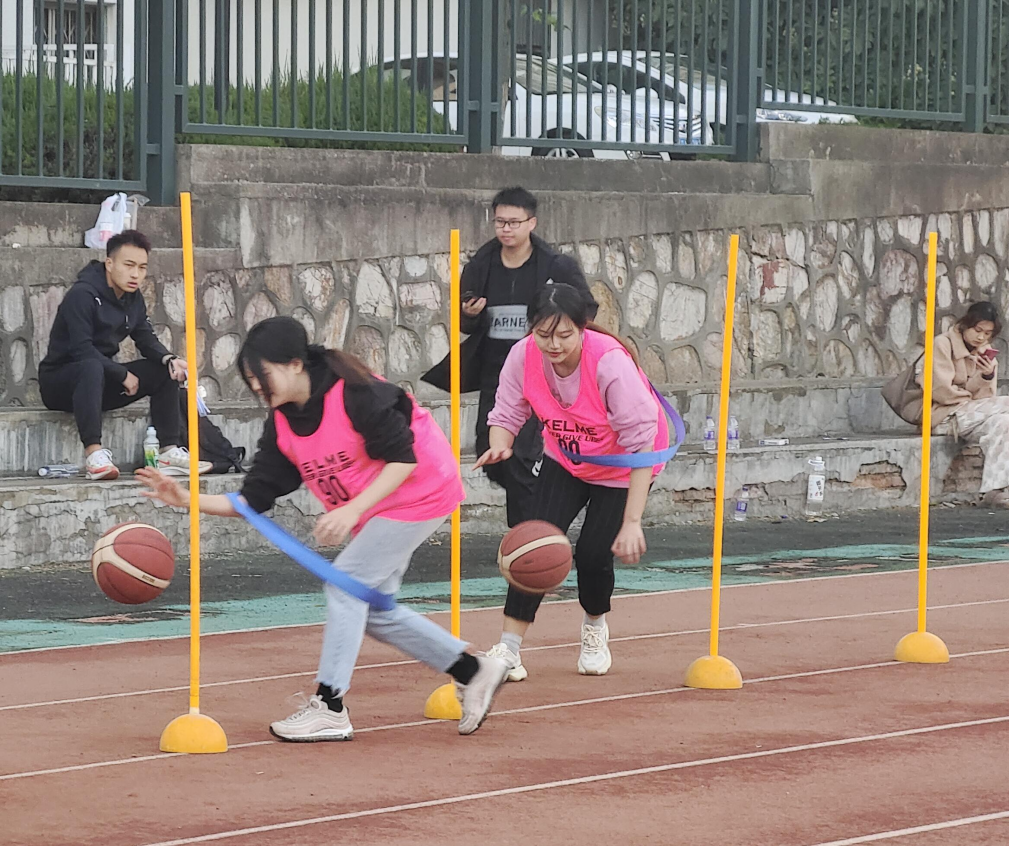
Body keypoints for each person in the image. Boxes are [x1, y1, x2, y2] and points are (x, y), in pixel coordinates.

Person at [138, 317, 508, 740]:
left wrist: (351, 510)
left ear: (295, 364)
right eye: (250, 379)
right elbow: (251, 501)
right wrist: (187, 499)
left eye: (262, 374)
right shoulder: (282, 425)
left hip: (421, 489)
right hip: (378, 508)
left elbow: (403, 460)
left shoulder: (355, 393)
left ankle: (330, 705)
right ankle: (473, 670)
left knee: (345, 585)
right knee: (372, 610)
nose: (256, 386)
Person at [474, 283, 670, 681]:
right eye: (543, 334)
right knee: (532, 545)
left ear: (583, 328)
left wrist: (632, 522)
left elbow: (642, 447)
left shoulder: (609, 363)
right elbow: (507, 410)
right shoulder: (523, 355)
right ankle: (509, 648)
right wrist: (500, 445)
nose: (554, 345)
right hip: (566, 458)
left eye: (564, 335)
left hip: (624, 466)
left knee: (593, 555)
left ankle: (595, 625)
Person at [423, 186, 597, 529]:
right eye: (500, 222)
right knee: (492, 455)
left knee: (524, 457)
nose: (506, 229)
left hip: (541, 375)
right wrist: (470, 314)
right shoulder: (481, 265)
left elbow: (586, 310)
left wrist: (556, 335)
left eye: (514, 222)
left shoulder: (556, 266)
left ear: (531, 223)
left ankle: (530, 534)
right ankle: (534, 525)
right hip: (496, 374)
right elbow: (463, 323)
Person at [38, 230, 205, 481]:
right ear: (109, 263)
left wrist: (170, 359)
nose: (135, 274)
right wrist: (121, 373)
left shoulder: (133, 299)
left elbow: (145, 338)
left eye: (142, 267)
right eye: (129, 265)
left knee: (163, 371)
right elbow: (81, 349)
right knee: (90, 366)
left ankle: (168, 452)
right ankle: (94, 455)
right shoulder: (82, 295)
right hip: (60, 384)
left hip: (98, 384)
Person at [921, 301, 1009, 507]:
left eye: (987, 333)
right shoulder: (942, 344)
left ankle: (992, 491)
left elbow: (986, 399)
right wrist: (967, 397)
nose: (981, 337)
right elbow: (940, 390)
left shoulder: (986, 353)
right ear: (965, 324)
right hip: (944, 415)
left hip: (973, 415)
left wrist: (986, 376)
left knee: (1004, 423)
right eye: (978, 330)